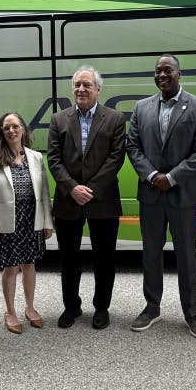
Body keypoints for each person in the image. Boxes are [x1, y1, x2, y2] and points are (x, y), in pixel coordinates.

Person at [125, 54, 196, 338]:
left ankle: (191, 313)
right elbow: (133, 147)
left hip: (183, 195)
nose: (162, 75)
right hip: (151, 194)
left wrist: (172, 177)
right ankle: (152, 308)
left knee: (186, 256)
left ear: (179, 73)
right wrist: (152, 176)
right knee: (151, 254)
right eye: (158, 71)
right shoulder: (141, 107)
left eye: (168, 70)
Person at [47, 67, 127, 330]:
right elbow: (54, 159)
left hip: (102, 199)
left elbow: (116, 158)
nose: (81, 89)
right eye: (77, 85)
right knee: (69, 259)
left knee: (104, 258)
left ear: (97, 89)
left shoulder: (115, 119)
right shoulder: (59, 119)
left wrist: (89, 189)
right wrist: (72, 188)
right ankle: (71, 306)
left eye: (87, 85)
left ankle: (101, 307)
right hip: (67, 200)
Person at [0, 112, 54, 333]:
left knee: (30, 265)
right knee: (11, 268)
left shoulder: (35, 157)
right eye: (6, 128)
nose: (11, 131)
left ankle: (30, 308)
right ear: (2, 132)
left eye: (15, 126)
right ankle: (10, 311)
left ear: (23, 129)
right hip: (8, 220)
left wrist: (47, 222)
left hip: (31, 218)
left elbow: (44, 192)